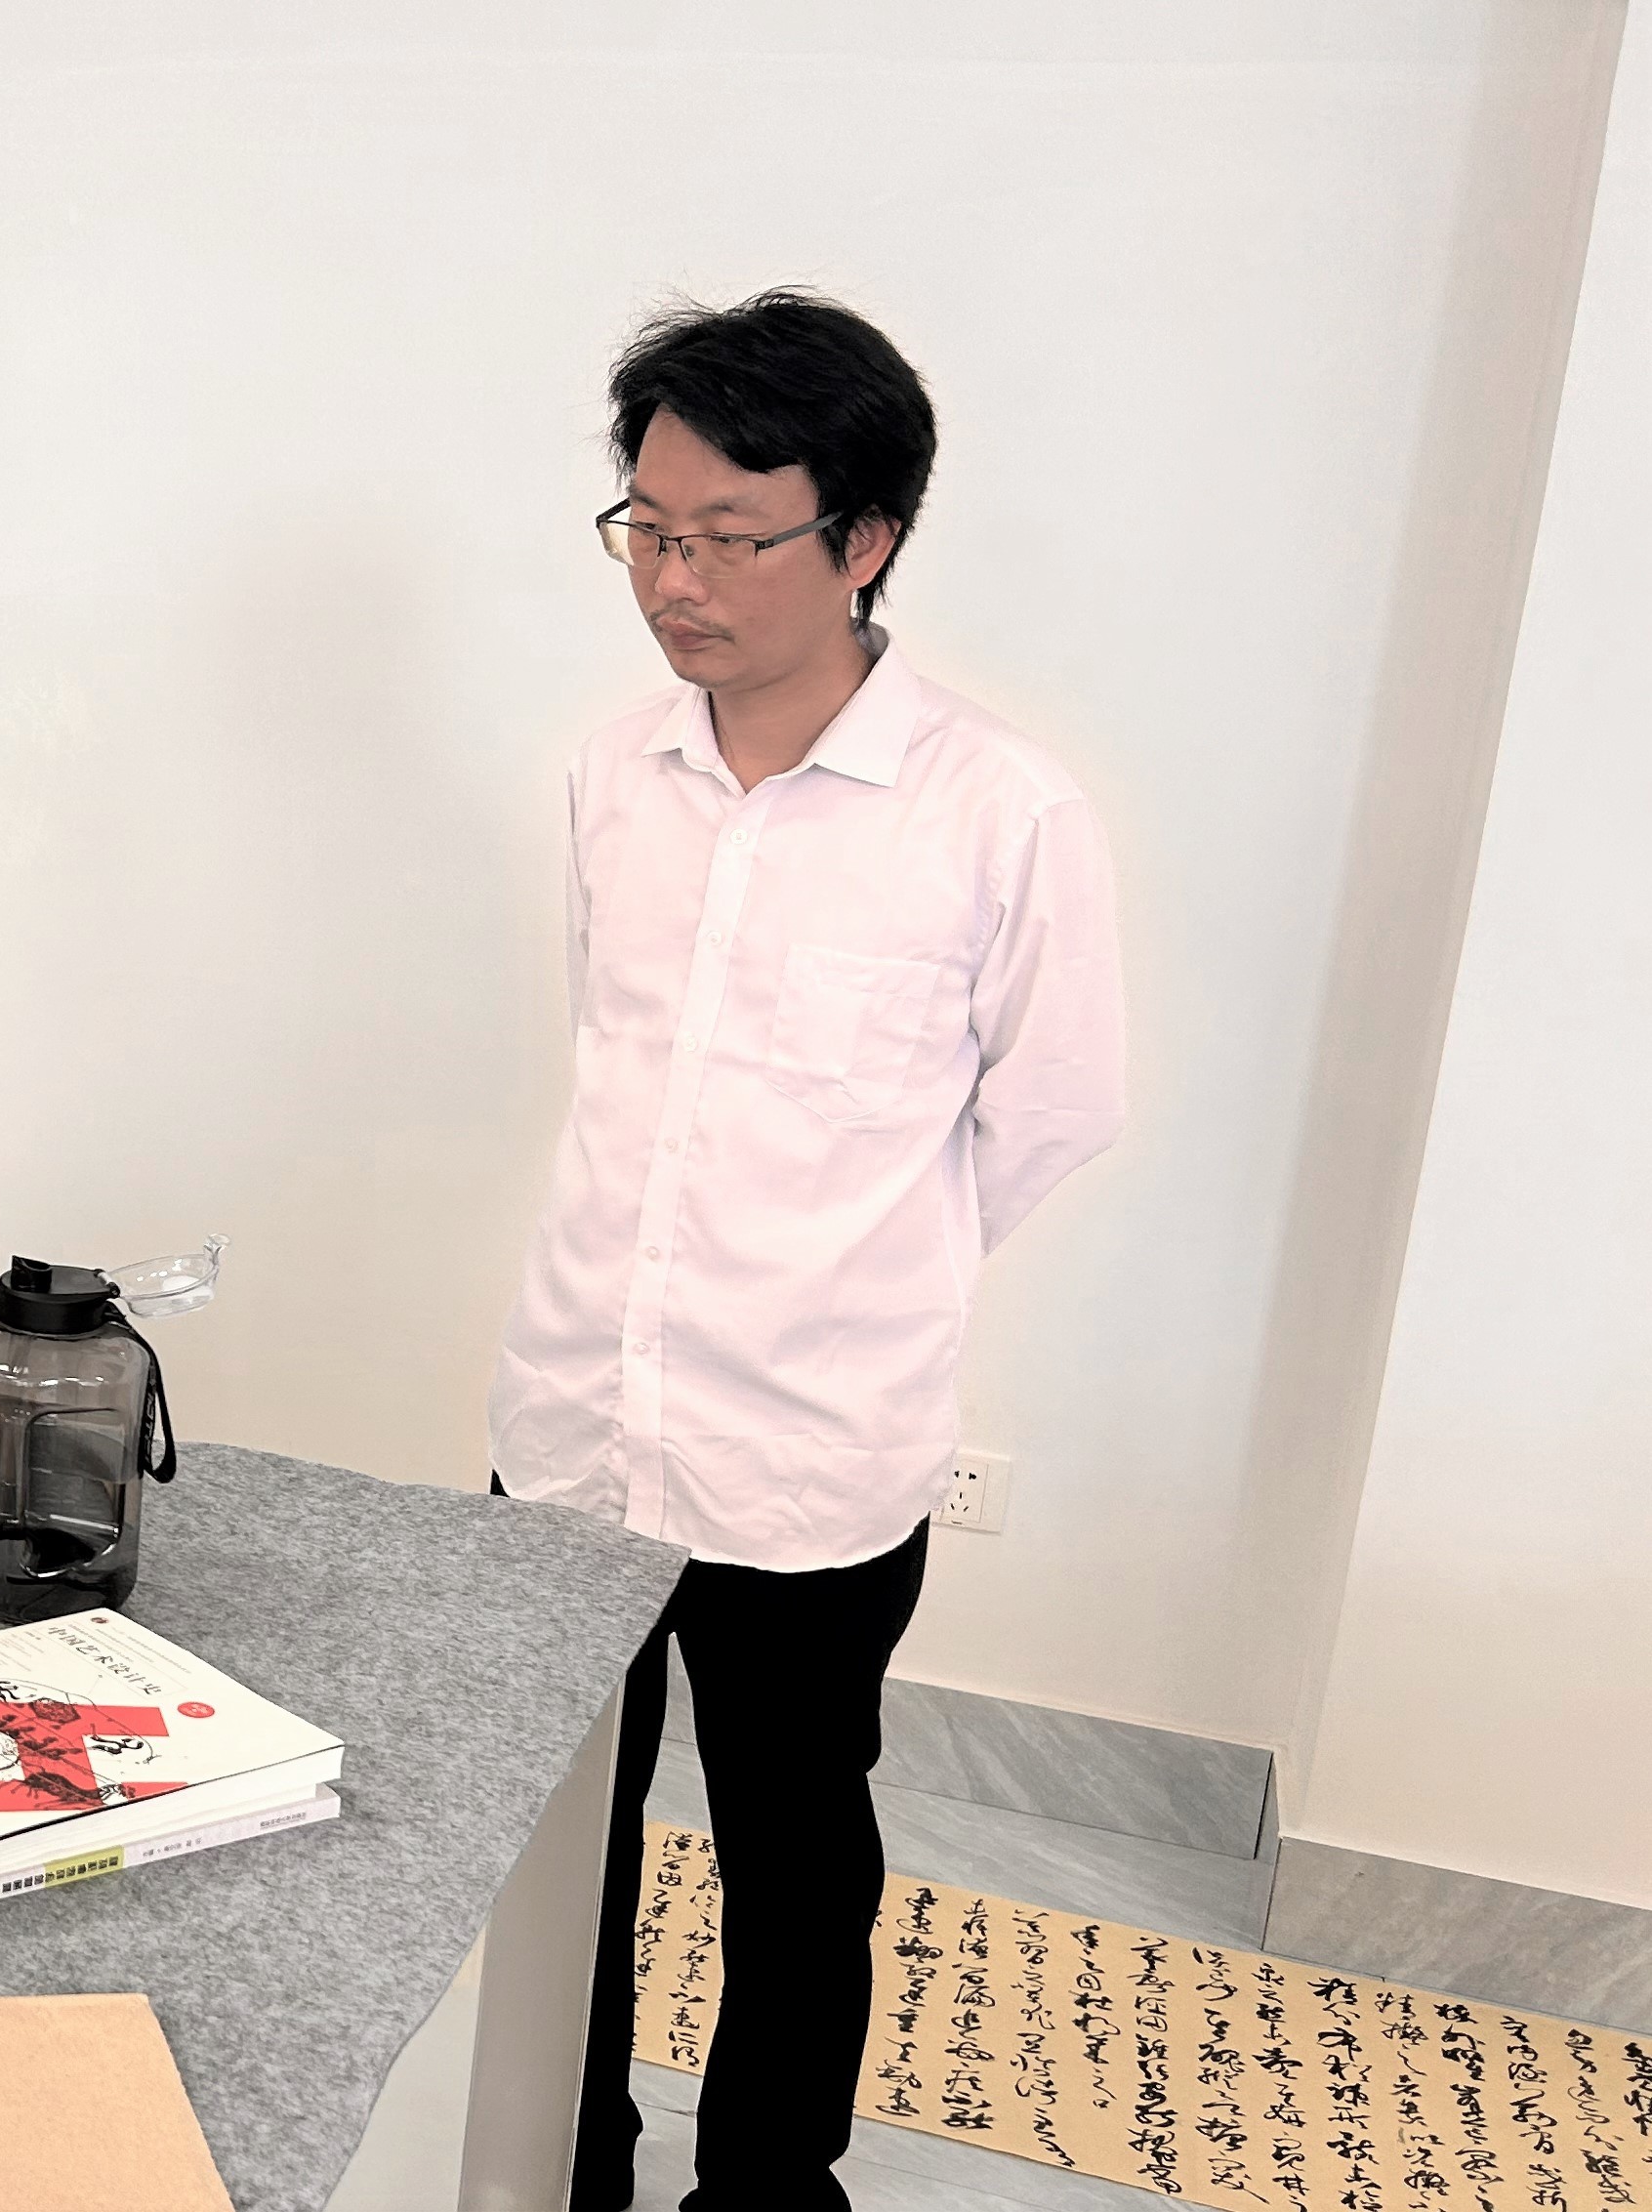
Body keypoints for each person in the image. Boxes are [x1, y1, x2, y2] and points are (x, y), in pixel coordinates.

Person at [487, 291, 1125, 2208]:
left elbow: (1050, 1112)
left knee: (791, 1853)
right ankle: (558, 2166)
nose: (672, 580)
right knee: (556, 1845)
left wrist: (853, 1274)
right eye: (644, 529)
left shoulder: (998, 815)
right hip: (575, 1410)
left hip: (810, 1450)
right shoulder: (613, 774)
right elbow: (619, 1057)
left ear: (862, 541)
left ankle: (766, 2192)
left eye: (728, 536)